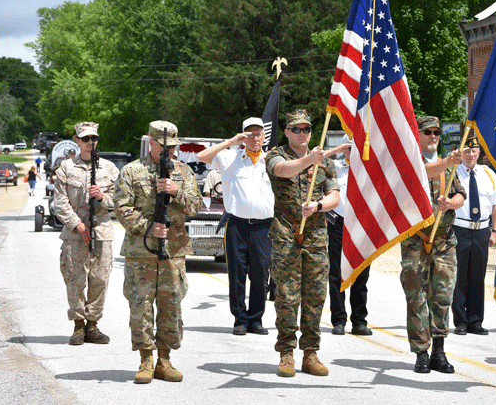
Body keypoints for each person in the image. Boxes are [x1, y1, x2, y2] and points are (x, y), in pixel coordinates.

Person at [114, 121, 202, 384]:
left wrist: (176, 193)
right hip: (141, 251)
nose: (170, 152)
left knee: (171, 305)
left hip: (173, 250)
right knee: (140, 305)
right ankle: (145, 359)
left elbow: (196, 206)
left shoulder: (184, 172)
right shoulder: (132, 171)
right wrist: (149, 227)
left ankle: (164, 359)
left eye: (173, 147)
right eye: (165, 147)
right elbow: (121, 206)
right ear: (151, 143)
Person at [266, 109, 339, 377]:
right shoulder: (276, 155)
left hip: (316, 236)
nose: (302, 133)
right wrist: (310, 159)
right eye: (296, 129)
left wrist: (319, 205)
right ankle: (286, 352)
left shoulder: (325, 162)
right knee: (286, 295)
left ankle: (310, 352)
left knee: (316, 296)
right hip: (286, 234)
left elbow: (335, 196)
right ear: (287, 132)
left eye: (306, 129)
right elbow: (282, 171)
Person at [196, 117, 274, 336]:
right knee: (237, 273)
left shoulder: (271, 160)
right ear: (242, 136)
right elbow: (201, 157)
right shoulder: (229, 157)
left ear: (264, 136)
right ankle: (240, 319)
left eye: (258, 134)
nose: (254, 138)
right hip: (237, 225)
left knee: (260, 274)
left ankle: (255, 319)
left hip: (264, 227)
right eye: (249, 134)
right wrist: (232, 141)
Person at [401, 116, 464, 374]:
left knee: (442, 296)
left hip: (445, 240)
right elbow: (416, 176)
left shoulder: (449, 168)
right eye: (428, 132)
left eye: (437, 132)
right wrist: (446, 162)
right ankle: (421, 353)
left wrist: (451, 204)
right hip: (416, 240)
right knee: (416, 296)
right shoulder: (409, 162)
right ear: (418, 134)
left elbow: (460, 194)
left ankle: (439, 350)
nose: (434, 136)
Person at [54, 122, 120, 347]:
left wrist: (102, 197)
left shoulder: (109, 168)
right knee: (75, 279)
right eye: (85, 138)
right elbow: (60, 202)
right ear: (77, 140)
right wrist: (77, 224)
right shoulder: (66, 168)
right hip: (75, 233)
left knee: (100, 279)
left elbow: (120, 202)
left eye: (94, 138)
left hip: (101, 231)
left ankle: (93, 324)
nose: (90, 142)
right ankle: (78, 325)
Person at [451, 134, 496, 336]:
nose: (470, 155)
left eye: (474, 151)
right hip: (459, 229)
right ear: (460, 152)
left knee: (477, 277)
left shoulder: (488, 173)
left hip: (481, 230)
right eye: (466, 151)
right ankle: (461, 321)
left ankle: (475, 321)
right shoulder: (453, 173)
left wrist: (494, 231)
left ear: (479, 153)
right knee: (459, 276)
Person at [325, 137, 372, 336]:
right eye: (349, 147)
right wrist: (336, 149)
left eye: (357, 147)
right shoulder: (334, 166)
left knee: (361, 275)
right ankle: (339, 320)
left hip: (362, 225)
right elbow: (312, 160)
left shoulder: (370, 168)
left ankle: (359, 321)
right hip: (339, 224)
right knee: (337, 274)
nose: (353, 151)